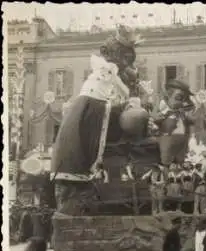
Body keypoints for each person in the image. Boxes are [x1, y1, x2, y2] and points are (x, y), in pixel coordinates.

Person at [51, 25, 141, 216]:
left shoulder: (114, 76)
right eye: (124, 57)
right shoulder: (105, 75)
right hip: (92, 121)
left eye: (128, 58)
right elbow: (105, 108)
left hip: (95, 121)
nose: (126, 63)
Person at [152, 80, 196, 167]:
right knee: (166, 162)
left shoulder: (184, 111)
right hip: (167, 138)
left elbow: (192, 121)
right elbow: (154, 118)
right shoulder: (163, 108)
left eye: (185, 99)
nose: (182, 102)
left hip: (182, 140)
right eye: (179, 98)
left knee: (180, 163)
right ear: (168, 96)